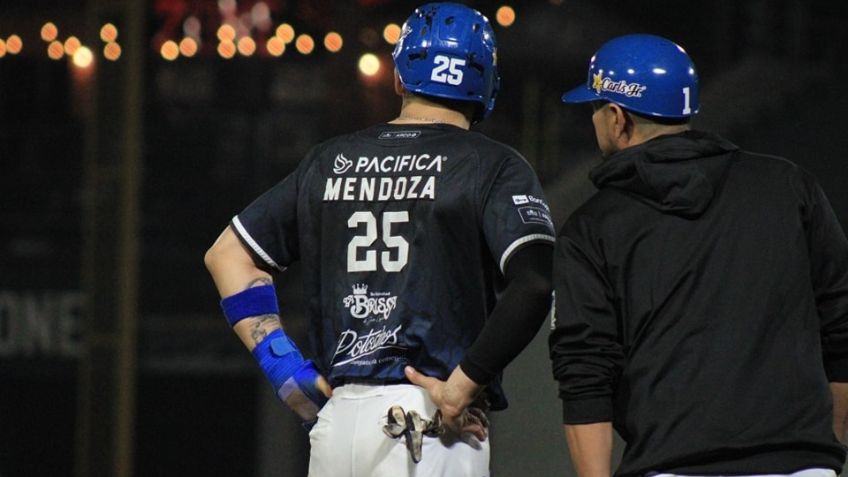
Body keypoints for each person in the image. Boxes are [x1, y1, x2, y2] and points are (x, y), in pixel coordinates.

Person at [204, 3, 555, 476]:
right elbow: (533, 284)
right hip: (430, 423)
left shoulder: (329, 160)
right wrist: (462, 387)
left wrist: (286, 371)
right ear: (486, 85)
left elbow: (228, 255)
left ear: (399, 77)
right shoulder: (492, 165)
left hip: (339, 422)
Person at [549, 33, 848, 477]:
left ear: (616, 118)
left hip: (673, 465)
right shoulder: (788, 186)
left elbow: (586, 369)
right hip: (800, 464)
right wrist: (832, 443)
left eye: (594, 107)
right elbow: (840, 322)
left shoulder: (592, 227)